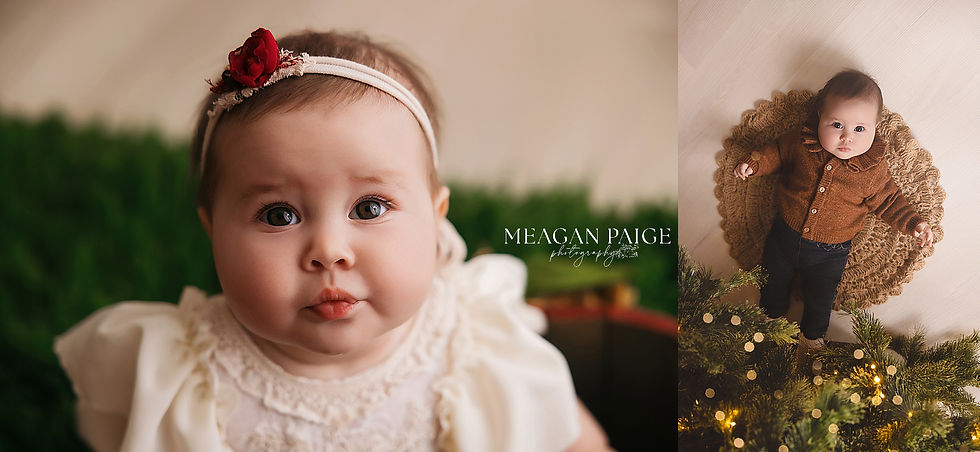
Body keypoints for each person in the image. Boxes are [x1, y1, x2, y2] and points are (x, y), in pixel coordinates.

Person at [55, 28, 607, 451]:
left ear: (436, 218)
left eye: (369, 208)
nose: (329, 251)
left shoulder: (474, 342)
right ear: (212, 230)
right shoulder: (179, 372)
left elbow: (562, 429)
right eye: (278, 215)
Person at [733, 69, 933, 353]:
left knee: (821, 297)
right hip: (784, 234)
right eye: (837, 125)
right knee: (772, 279)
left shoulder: (872, 169)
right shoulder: (802, 142)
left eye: (859, 129)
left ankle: (812, 338)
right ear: (819, 117)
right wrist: (754, 164)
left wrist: (913, 222)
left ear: (875, 127)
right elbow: (776, 153)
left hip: (830, 252)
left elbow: (889, 200)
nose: (846, 138)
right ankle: (770, 319)